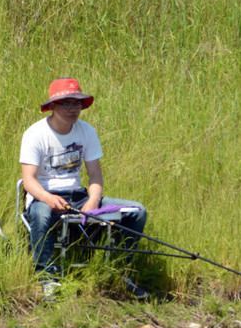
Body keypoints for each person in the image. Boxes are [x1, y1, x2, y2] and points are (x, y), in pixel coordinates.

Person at [19, 78, 149, 299]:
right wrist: (49, 199)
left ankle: (119, 273)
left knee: (138, 212)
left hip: (78, 196)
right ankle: (47, 278)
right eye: (67, 103)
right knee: (40, 215)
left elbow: (95, 176)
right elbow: (29, 180)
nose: (74, 109)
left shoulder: (87, 131)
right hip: (43, 196)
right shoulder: (35, 133)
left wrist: (92, 201)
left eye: (77, 103)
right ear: (52, 106)